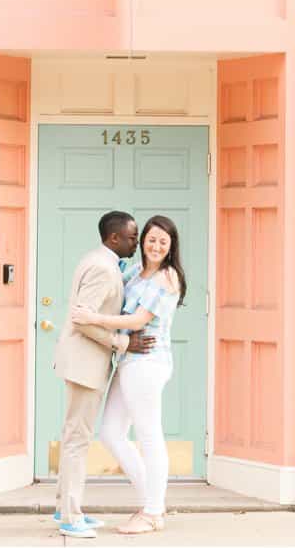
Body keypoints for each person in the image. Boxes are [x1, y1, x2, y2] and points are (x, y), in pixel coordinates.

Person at [70, 214, 187, 535]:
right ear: (142, 241)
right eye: (151, 239)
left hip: (148, 362)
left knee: (149, 434)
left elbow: (137, 321)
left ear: (171, 246)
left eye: (164, 241)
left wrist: (92, 318)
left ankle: (151, 511)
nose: (156, 246)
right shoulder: (135, 272)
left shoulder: (167, 277)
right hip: (129, 362)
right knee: (110, 433)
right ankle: (153, 502)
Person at [52, 210, 153, 539]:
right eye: (132, 237)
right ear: (114, 238)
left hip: (86, 363)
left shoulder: (101, 261)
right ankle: (70, 516)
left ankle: (62, 508)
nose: (136, 243)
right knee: (77, 441)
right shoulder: (101, 267)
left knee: (73, 437)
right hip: (84, 365)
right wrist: (121, 341)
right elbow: (83, 320)